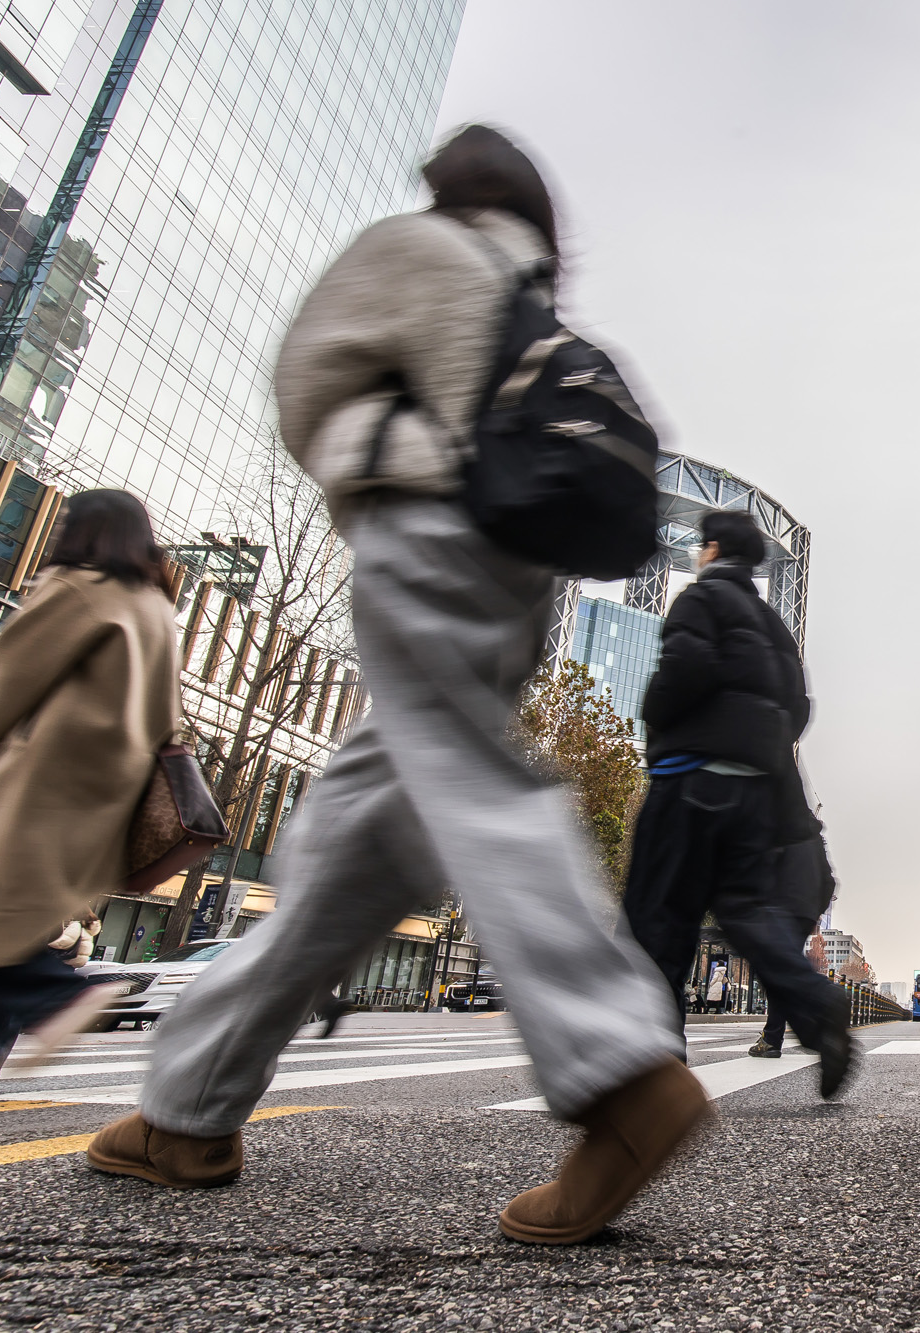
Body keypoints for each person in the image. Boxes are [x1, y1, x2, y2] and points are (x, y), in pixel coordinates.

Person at [87, 128, 706, 1247]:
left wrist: (374, 451)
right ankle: (189, 1109)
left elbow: (306, 382)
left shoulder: (413, 249)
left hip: (423, 528)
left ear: (453, 192)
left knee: (468, 778)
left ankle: (619, 1074)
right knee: (350, 845)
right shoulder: (522, 299)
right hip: (510, 573)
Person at [0, 493, 181, 1097]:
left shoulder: (75, 586)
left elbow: (14, 673)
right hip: (113, 786)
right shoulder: (154, 603)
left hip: (47, 773)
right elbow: (167, 709)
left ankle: (65, 995)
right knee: (20, 919)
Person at [621, 510, 854, 1098]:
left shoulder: (701, 601)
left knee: (658, 916)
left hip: (688, 780)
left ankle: (658, 1059)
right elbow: (799, 708)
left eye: (701, 547)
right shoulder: (775, 627)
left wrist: (655, 710)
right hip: (753, 793)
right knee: (746, 914)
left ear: (713, 549)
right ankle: (817, 1005)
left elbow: (683, 671)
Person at [747, 828, 836, 1058]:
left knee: (774, 968)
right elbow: (829, 881)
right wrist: (813, 912)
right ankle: (773, 1036)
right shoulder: (814, 839)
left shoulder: (778, 823)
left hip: (778, 908)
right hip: (803, 912)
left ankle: (820, 997)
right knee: (780, 966)